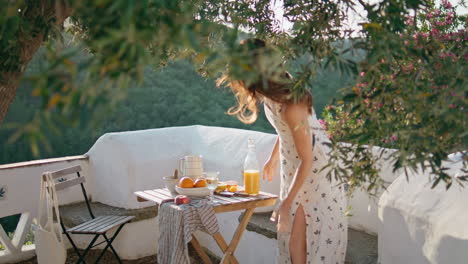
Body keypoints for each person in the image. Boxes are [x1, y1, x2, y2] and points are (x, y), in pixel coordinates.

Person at [217, 38, 347, 264]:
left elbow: (307, 158)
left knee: (303, 240)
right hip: (293, 166)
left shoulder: (291, 104)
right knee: (293, 242)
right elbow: (286, 131)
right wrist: (273, 158)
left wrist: (286, 203)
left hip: (315, 171)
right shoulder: (271, 96)